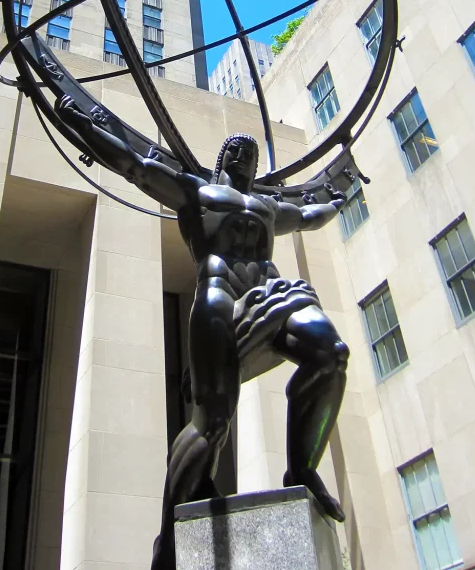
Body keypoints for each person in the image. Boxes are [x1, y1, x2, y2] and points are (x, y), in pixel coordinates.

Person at [55, 96, 349, 570]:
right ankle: (171, 535)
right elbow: (136, 166)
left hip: (271, 293)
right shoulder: (197, 192)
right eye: (235, 152)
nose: (244, 159)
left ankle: (301, 469)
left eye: (251, 155)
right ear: (221, 162)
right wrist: (77, 123)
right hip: (219, 298)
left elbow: (310, 216)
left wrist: (337, 200)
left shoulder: (268, 205)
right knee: (213, 420)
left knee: (331, 354)